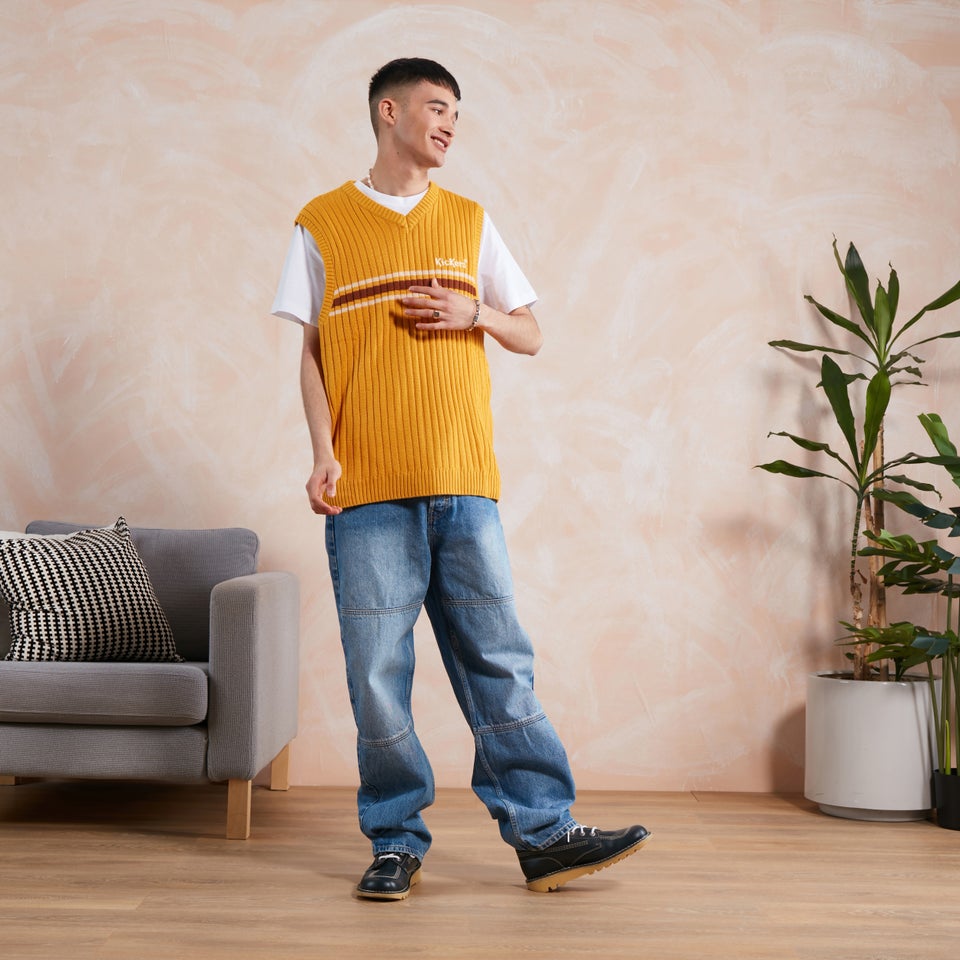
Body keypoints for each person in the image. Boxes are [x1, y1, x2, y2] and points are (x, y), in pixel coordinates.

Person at [271, 57, 650, 900]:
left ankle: (544, 834)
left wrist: (472, 312)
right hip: (366, 488)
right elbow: (308, 353)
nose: (448, 125)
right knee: (378, 674)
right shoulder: (320, 223)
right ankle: (395, 840)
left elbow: (532, 333)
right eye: (436, 109)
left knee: (499, 661)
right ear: (388, 110)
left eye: (455, 115)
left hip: (463, 479)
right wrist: (322, 452)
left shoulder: (469, 219)